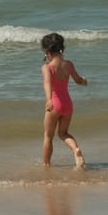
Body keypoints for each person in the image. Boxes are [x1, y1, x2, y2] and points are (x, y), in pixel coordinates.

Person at [39, 33, 88, 169]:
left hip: (55, 104)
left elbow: (47, 83)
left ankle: (46, 165)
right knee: (63, 133)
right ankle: (75, 150)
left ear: (47, 51)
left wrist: (49, 100)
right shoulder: (69, 65)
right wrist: (84, 81)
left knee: (48, 136)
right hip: (67, 104)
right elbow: (78, 80)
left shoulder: (47, 68)